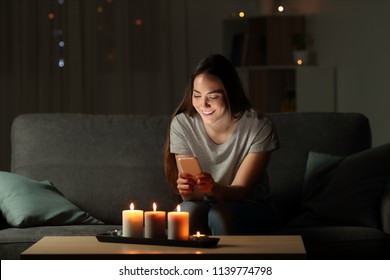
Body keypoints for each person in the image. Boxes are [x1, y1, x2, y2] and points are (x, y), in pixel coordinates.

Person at [164, 54, 282, 235]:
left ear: (230, 93)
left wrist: (215, 189)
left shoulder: (259, 126)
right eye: (197, 95)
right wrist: (187, 191)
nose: (203, 104)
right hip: (204, 203)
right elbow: (193, 197)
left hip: (250, 205)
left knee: (219, 214)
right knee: (187, 212)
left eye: (213, 96)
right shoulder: (182, 124)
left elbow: (242, 190)